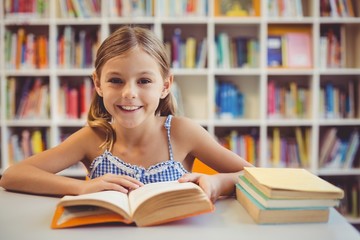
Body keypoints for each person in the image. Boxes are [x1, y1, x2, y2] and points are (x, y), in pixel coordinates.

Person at [0, 26, 252, 203]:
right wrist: (81, 187)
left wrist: (219, 184)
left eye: (143, 81)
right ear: (98, 84)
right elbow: (13, 176)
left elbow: (255, 176)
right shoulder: (93, 138)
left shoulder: (182, 132)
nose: (129, 93)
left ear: (165, 86)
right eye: (116, 81)